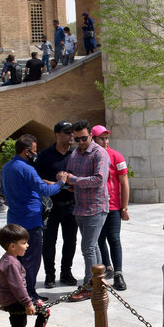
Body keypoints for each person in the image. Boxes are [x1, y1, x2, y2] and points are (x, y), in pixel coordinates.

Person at [1, 134, 66, 302]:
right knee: (31, 260)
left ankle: (18, 292)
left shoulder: (7, 167)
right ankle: (30, 294)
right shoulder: (27, 169)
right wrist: (60, 182)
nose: (36, 154)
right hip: (30, 221)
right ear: (26, 152)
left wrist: (41, 182)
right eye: (34, 151)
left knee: (17, 260)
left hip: (13, 219)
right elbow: (45, 191)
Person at [59, 119, 109, 300]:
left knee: (87, 247)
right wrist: (63, 179)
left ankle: (90, 287)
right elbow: (70, 177)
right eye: (77, 139)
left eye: (84, 138)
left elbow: (99, 179)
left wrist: (72, 180)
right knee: (93, 246)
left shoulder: (99, 153)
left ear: (91, 136)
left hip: (96, 207)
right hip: (79, 206)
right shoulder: (74, 154)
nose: (80, 142)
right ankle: (98, 282)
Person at [0, 224, 52, 327]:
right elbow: (17, 286)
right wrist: (28, 303)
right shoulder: (12, 263)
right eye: (24, 243)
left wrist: (1, 301)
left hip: (10, 301)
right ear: (12, 246)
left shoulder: (7, 260)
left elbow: (2, 285)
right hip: (16, 301)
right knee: (44, 310)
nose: (27, 246)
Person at [35, 121, 79, 288]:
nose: (71, 136)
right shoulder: (45, 156)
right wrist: (58, 184)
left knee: (70, 240)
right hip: (51, 206)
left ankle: (66, 272)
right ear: (58, 135)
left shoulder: (75, 155)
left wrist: (74, 186)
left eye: (72, 133)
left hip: (71, 205)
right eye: (67, 133)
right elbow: (36, 178)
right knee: (49, 241)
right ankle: (49, 275)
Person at [92, 125, 129, 291]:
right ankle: (107, 267)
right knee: (99, 239)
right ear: (93, 139)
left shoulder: (117, 157)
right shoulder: (90, 157)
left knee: (114, 238)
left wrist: (125, 207)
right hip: (96, 205)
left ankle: (118, 274)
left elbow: (124, 183)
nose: (105, 141)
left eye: (106, 138)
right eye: (101, 138)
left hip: (113, 206)